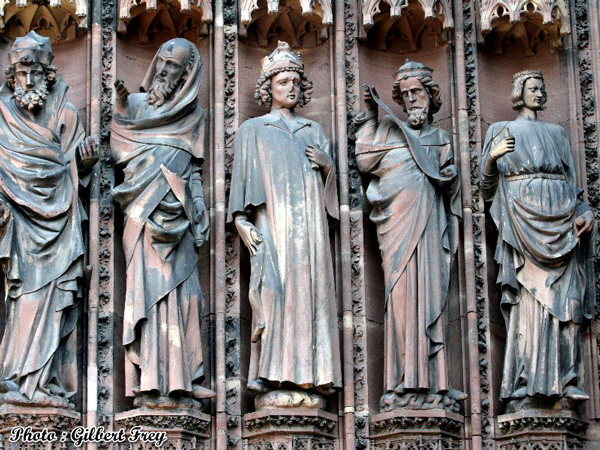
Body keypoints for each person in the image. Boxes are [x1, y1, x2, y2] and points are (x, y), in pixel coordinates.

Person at [227, 41, 341, 397]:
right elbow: (241, 185)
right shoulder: (254, 130)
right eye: (283, 81)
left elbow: (334, 203)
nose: (290, 87)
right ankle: (270, 372)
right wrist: (240, 222)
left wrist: (328, 168)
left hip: (310, 231)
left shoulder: (314, 131)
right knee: (273, 294)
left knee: (310, 297)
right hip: (271, 225)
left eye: (295, 81)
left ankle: (312, 373)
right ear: (268, 88)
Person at [355, 60, 464, 411]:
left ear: (431, 97)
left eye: (417, 92)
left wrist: (449, 178)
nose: (412, 99)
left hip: (431, 229)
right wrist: (372, 117)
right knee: (401, 302)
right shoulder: (388, 131)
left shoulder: (441, 140)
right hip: (397, 229)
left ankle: (435, 381)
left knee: (433, 301)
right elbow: (364, 162)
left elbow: (452, 190)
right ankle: (402, 379)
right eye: (405, 95)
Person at [482, 70, 594, 407]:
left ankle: (568, 378)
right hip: (521, 221)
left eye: (543, 88)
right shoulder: (500, 131)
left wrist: (584, 210)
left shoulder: (558, 134)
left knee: (570, 300)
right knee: (530, 301)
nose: (540, 93)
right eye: (533, 88)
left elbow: (575, 184)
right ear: (519, 93)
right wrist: (492, 156)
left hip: (562, 223)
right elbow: (486, 190)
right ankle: (527, 380)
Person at [111, 38, 213, 401]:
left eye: (174, 67)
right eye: (162, 61)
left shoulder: (196, 118)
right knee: (147, 297)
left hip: (180, 216)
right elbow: (119, 147)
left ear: (186, 75)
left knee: (188, 297)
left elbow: (195, 169)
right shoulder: (137, 106)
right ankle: (149, 380)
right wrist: (122, 105)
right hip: (142, 214)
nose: (165, 70)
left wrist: (199, 203)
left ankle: (184, 377)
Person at [0, 31, 98, 406]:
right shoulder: (1, 115)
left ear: (49, 74)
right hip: (16, 227)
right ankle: (16, 378)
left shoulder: (66, 113)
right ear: (12, 74)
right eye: (22, 72)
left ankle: (44, 381)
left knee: (54, 302)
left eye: (36, 72)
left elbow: (74, 168)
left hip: (58, 227)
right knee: (22, 300)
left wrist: (82, 164)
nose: (28, 80)